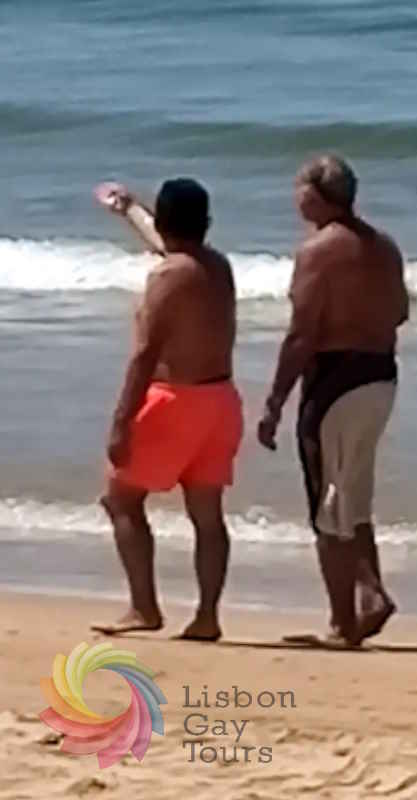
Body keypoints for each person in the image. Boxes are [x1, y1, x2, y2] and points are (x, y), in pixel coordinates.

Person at [257, 154, 408, 649]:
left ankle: (347, 618)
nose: (294, 197)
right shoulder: (385, 246)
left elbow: (301, 333)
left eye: (300, 187)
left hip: (335, 379)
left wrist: (275, 401)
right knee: (353, 496)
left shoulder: (318, 250)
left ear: (315, 195)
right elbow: (400, 312)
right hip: (381, 375)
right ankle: (367, 598)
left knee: (326, 504)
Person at [91, 178, 242, 642]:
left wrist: (121, 421)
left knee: (121, 499)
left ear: (166, 222)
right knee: (207, 514)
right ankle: (207, 616)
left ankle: (144, 607)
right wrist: (128, 208)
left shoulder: (166, 276)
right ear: (207, 223)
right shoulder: (216, 265)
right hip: (220, 400)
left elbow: (144, 354)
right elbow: (169, 245)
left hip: (174, 400)